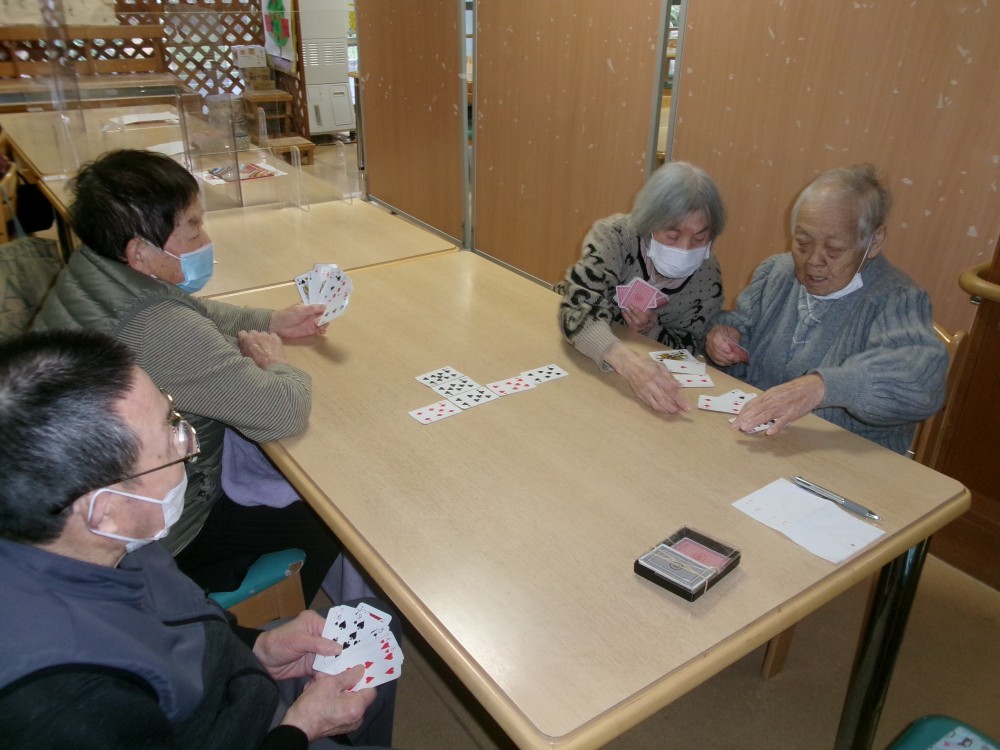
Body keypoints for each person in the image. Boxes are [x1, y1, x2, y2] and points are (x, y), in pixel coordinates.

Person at [0, 330, 396, 749]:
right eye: (171, 438)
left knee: (375, 618)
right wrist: (300, 730)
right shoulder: (66, 707)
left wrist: (258, 646)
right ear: (107, 511)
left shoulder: (112, 544)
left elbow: (186, 619)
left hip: (234, 685)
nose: (187, 442)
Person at [31, 148, 338, 601]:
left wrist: (268, 319)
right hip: (155, 537)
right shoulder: (150, 323)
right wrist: (277, 363)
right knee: (327, 517)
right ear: (140, 253)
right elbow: (280, 411)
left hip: (77, 505)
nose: (205, 239)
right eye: (192, 228)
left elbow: (192, 310)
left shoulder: (97, 268)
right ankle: (246, 625)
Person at [704, 163, 947, 454]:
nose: (813, 261)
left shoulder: (897, 298)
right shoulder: (775, 273)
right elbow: (739, 323)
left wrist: (823, 387)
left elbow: (921, 385)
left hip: (843, 463)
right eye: (802, 243)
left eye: (834, 250)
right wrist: (724, 336)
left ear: (874, 242)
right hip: (760, 446)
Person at [555, 161, 726, 414]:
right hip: (582, 356)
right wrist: (629, 364)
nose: (686, 248)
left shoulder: (708, 276)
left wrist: (652, 329)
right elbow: (576, 310)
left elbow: (690, 351)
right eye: (673, 235)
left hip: (637, 391)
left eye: (700, 238)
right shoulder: (614, 236)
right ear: (649, 222)